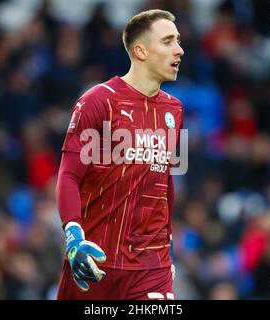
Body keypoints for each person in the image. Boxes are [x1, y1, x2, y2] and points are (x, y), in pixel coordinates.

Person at [56, 9, 185, 300]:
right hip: (96, 258)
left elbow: (163, 181)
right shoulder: (98, 102)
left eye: (177, 40)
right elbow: (69, 175)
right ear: (140, 50)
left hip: (152, 265)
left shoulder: (173, 110)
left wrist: (168, 243)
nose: (179, 49)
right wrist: (74, 237)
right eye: (168, 41)